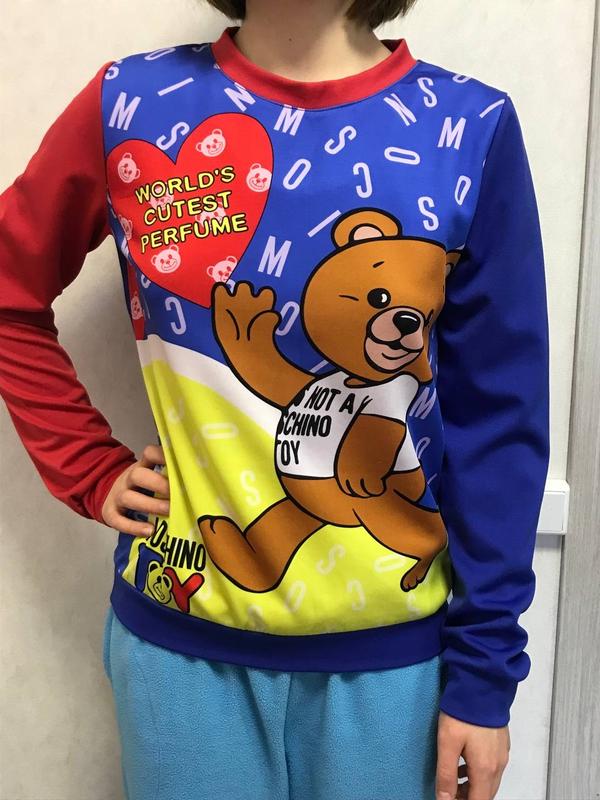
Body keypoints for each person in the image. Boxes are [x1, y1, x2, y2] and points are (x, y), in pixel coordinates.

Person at [0, 1, 550, 798]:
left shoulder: (470, 127)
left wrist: (485, 673)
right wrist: (87, 465)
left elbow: (500, 419)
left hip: (395, 666)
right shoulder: (130, 104)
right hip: (180, 651)